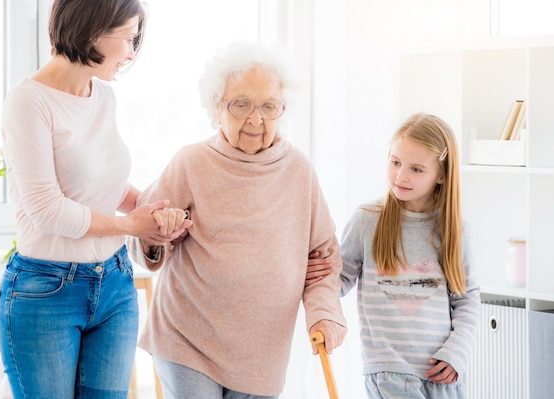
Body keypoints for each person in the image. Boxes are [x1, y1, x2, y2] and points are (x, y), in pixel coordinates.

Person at [127, 40, 348, 399]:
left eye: (268, 106)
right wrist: (158, 234)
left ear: (283, 109)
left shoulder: (298, 172)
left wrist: (324, 313)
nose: (255, 118)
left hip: (262, 353)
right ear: (218, 106)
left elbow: (323, 260)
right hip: (189, 340)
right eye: (241, 104)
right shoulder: (191, 162)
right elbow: (139, 237)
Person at [0, 1, 190, 398]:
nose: (132, 54)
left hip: (115, 284)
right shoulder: (28, 102)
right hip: (46, 290)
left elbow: (105, 186)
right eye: (128, 39)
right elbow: (47, 210)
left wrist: (151, 212)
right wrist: (130, 225)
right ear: (93, 28)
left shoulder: (102, 96)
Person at [335, 113, 480, 398]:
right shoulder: (367, 220)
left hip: (442, 374)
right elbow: (339, 280)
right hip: (390, 373)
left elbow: (466, 297)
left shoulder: (453, 229)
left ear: (441, 175)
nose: (401, 175)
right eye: (395, 162)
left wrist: (456, 353)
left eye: (416, 169)